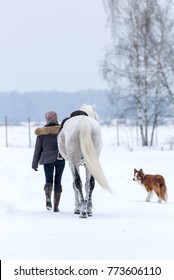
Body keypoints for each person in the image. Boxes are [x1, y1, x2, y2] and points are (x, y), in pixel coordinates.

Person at [32, 111, 65, 212]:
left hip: (47, 160)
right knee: (58, 181)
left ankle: (48, 197)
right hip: (60, 158)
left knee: (48, 181)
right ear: (56, 118)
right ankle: (56, 205)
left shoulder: (41, 133)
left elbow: (38, 149)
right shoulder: (62, 130)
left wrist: (34, 163)